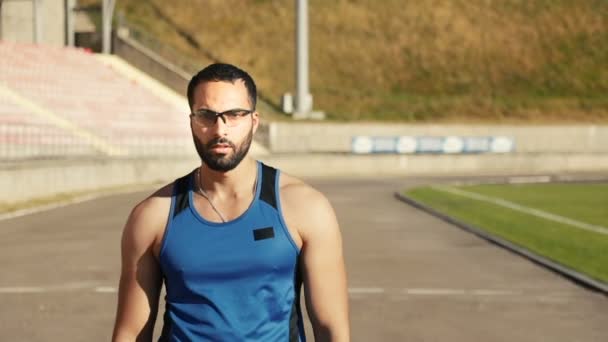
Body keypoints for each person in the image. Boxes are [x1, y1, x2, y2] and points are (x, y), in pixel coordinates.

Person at [111, 63, 350, 341]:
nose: (220, 129)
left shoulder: (305, 207)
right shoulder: (152, 216)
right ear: (191, 121)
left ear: (254, 121)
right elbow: (129, 334)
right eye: (206, 115)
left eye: (234, 115)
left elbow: (332, 328)